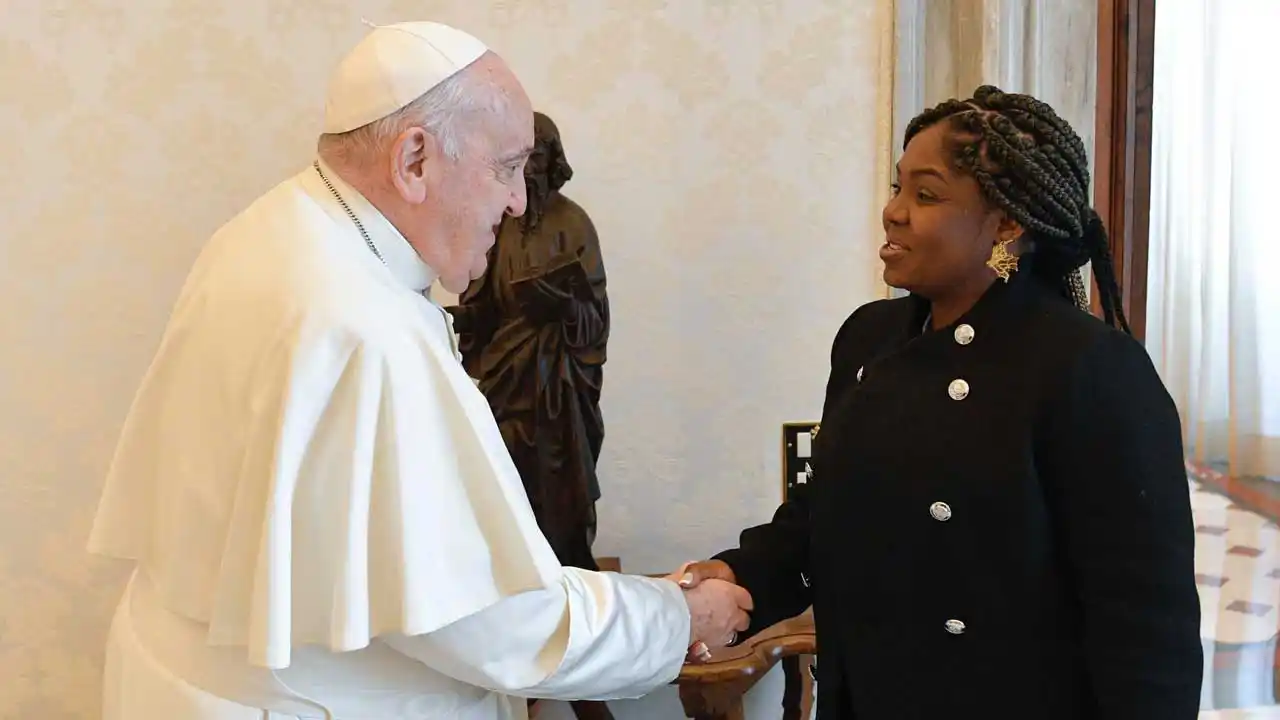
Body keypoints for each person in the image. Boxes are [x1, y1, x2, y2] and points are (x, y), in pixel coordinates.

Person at [87, 20, 749, 720]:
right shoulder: (366, 329)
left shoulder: (268, 230)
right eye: (505, 167)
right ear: (414, 160)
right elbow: (490, 620)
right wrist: (676, 619)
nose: (520, 201)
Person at [676, 85, 1203, 719]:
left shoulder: (1090, 368)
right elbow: (826, 520)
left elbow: (1145, 628)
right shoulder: (869, 337)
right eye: (898, 187)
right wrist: (740, 577)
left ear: (1006, 224)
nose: (893, 211)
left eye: (925, 195)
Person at [451, 111, 610, 578]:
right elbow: (480, 300)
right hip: (506, 380)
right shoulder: (496, 222)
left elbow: (594, 317)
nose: (532, 171)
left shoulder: (573, 223)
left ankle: (568, 573)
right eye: (523, 160)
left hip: (561, 387)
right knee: (505, 476)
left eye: (540, 158)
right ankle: (511, 574)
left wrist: (561, 305)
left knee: (563, 484)